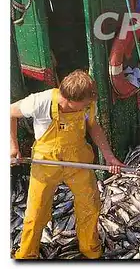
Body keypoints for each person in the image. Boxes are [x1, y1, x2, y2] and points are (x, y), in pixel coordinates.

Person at [10, 69, 124, 260]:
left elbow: (93, 126)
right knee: (35, 212)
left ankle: (90, 250)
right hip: (45, 163)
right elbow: (9, 112)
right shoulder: (40, 101)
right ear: (68, 99)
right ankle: (26, 256)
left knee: (90, 205)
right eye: (84, 104)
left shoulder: (87, 105)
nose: (88, 106)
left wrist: (109, 156)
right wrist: (12, 147)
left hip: (78, 161)